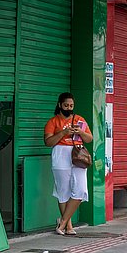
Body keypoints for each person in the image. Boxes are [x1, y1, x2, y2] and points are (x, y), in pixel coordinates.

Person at [44, 92, 93, 235]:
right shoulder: (53, 122)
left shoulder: (79, 120)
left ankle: (63, 221)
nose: (69, 107)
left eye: (71, 105)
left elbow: (89, 138)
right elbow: (48, 142)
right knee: (63, 190)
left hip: (78, 153)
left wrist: (81, 133)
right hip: (60, 153)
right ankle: (69, 226)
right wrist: (62, 133)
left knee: (81, 190)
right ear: (60, 105)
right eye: (66, 105)